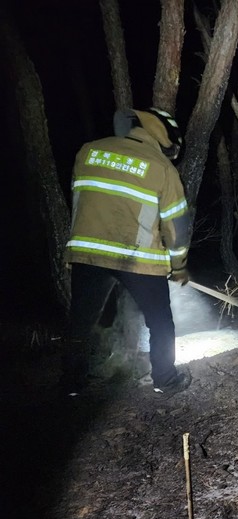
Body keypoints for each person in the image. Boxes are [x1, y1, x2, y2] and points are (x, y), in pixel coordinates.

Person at [60, 107, 193, 398]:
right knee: (159, 322)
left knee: (80, 322)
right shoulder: (161, 167)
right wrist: (179, 264)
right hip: (137, 259)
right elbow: (176, 226)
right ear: (164, 135)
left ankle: (70, 382)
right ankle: (165, 379)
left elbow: (84, 199)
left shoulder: (88, 151)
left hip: (88, 254)